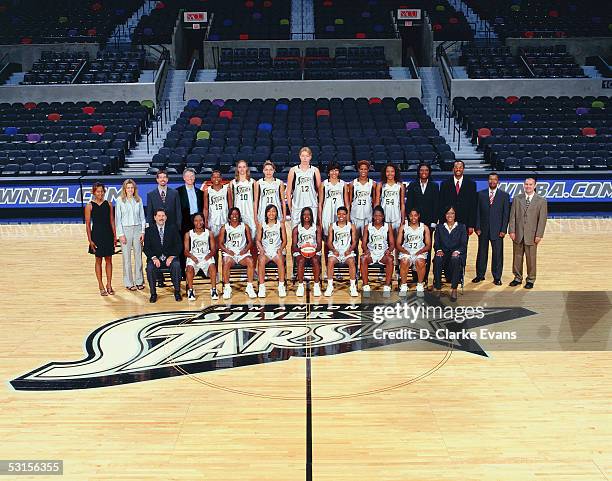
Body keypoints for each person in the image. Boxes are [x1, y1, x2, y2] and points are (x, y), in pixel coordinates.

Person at [508, 176, 547, 289]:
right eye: (526, 184)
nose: (528, 186)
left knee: (531, 259)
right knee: (517, 257)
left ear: (535, 186)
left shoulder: (541, 200)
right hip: (518, 234)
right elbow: (513, 216)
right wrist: (512, 230)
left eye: (530, 184)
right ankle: (517, 278)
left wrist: (539, 234)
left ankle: (530, 279)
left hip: (532, 234)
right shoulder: (517, 198)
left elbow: (542, 219)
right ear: (523, 185)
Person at [473, 172, 510, 285]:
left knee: (497, 254)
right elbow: (477, 212)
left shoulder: (504, 195)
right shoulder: (480, 194)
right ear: (488, 181)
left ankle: (497, 277)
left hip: (498, 230)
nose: (492, 181)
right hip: (483, 230)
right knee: (481, 253)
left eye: (495, 179)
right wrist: (477, 227)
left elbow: (506, 214)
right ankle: (480, 275)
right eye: (490, 179)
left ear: (498, 181)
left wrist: (503, 230)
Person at [406, 163, 439, 284]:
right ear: (418, 172)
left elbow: (437, 205)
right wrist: (410, 221)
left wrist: (434, 222)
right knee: (414, 247)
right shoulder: (413, 185)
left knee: (427, 250)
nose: (424, 172)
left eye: (426, 170)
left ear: (429, 172)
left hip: (429, 224)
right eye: (421, 170)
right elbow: (409, 204)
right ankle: (415, 276)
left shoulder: (435, 186)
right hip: (415, 224)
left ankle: (424, 277)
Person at [143, 208, 183, 303]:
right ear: (155, 217)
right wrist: (154, 258)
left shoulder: (172, 228)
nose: (161, 218)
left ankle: (177, 291)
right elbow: (146, 248)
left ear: (166, 217)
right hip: (155, 258)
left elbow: (179, 245)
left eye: (163, 216)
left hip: (170, 258)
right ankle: (153, 294)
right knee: (150, 268)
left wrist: (172, 256)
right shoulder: (149, 230)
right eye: (159, 216)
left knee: (176, 265)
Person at [85, 182, 116, 296]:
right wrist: (90, 240)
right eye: (98, 191)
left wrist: (114, 236)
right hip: (96, 235)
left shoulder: (109, 204)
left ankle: (109, 284)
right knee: (98, 260)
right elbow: (88, 224)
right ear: (94, 192)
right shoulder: (89, 206)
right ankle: (100, 285)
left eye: (102, 191)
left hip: (108, 234)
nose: (100, 193)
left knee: (109, 260)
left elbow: (112, 220)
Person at [114, 179, 146, 291]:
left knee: (138, 257)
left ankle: (139, 281)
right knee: (126, 258)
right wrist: (120, 234)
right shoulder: (119, 201)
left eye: (132, 187)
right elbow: (117, 219)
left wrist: (143, 231)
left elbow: (142, 217)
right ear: (124, 189)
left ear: (134, 189)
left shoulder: (138, 200)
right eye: (128, 188)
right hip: (125, 230)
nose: (130, 190)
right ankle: (128, 282)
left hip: (137, 229)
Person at [218, 207, 257, 299]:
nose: (234, 216)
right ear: (229, 216)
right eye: (232, 214)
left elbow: (250, 242)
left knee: (250, 261)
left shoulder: (244, 226)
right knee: (226, 262)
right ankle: (227, 288)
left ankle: (249, 287)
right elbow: (220, 243)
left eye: (236, 214)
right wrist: (227, 251)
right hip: (230, 254)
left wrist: (245, 249)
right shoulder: (225, 227)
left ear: (239, 216)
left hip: (242, 253)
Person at [433, 206, 468, 302]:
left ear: (455, 215)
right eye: (448, 213)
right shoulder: (440, 227)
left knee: (456, 259)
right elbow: (436, 243)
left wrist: (457, 252)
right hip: (444, 254)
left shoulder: (461, 227)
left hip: (456, 255)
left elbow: (463, 245)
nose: (450, 215)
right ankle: (438, 288)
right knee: (437, 258)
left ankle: (454, 289)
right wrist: (439, 250)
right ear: (445, 215)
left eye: (452, 213)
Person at [324, 206, 359, 297]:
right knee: (331, 260)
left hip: (347, 251)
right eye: (339, 214)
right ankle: (330, 286)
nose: (341, 216)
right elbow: (329, 242)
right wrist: (333, 250)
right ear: (337, 214)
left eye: (343, 214)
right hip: (336, 252)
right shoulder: (333, 226)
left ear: (347, 215)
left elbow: (355, 241)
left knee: (351, 261)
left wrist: (350, 250)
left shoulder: (351, 226)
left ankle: (352, 286)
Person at [184, 213, 219, 301]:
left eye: (200, 220)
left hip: (206, 256)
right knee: (189, 268)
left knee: (212, 266)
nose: (198, 222)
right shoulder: (188, 234)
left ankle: (214, 290)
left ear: (203, 221)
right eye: (196, 220)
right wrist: (192, 257)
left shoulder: (209, 233)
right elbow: (186, 251)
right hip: (194, 257)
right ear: (193, 222)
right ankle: (191, 290)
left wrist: (209, 255)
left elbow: (214, 249)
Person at [397, 208, 431, 297]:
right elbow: (398, 244)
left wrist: (420, 251)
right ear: (408, 216)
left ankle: (420, 285)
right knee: (404, 261)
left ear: (418, 216)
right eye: (411, 215)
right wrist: (405, 251)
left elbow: (428, 245)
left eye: (415, 215)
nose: (413, 218)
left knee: (420, 261)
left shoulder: (424, 227)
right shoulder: (404, 227)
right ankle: (404, 285)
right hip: (407, 251)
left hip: (419, 251)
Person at [360, 206, 394, 293]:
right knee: (363, 258)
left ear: (383, 216)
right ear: (373, 216)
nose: (377, 218)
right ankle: (366, 285)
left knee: (390, 259)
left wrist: (389, 250)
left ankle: (387, 285)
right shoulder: (368, 227)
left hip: (383, 254)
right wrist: (366, 250)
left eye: (379, 216)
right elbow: (363, 243)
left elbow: (392, 244)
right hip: (371, 253)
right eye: (375, 215)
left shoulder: (387, 226)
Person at [256, 204, 287, 298]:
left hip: (276, 251)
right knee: (261, 260)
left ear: (277, 213)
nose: (271, 213)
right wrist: (261, 249)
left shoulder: (280, 224)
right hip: (265, 251)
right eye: (269, 211)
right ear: (266, 213)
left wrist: (281, 249)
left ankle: (281, 286)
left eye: (273, 211)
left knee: (281, 261)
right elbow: (258, 240)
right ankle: (262, 287)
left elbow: (285, 240)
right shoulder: (262, 224)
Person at [438, 160, 477, 236]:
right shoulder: (444, 184)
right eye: (456, 167)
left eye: (460, 167)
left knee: (462, 246)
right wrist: (442, 222)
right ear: (453, 169)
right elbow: (441, 204)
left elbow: (473, 206)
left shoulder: (471, 184)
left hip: (465, 222)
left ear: (463, 169)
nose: (458, 169)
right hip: (448, 222)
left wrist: (471, 225)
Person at [286, 147, 321, 227]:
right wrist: (291, 207)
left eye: (307, 156)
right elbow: (288, 192)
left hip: (312, 205)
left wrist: (319, 205)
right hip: (297, 205)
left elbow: (320, 191)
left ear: (310, 157)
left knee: (311, 231)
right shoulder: (293, 170)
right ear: (299, 156)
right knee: (295, 231)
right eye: (303, 156)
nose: (305, 158)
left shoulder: (315, 170)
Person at [291, 206, 323, 297]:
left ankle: (316, 285)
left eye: (308, 214)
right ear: (301, 216)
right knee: (301, 261)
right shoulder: (297, 229)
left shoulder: (316, 228)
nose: (306, 216)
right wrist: (302, 251)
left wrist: (313, 251)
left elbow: (320, 245)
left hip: (314, 250)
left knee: (315, 260)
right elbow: (293, 246)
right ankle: (300, 285)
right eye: (304, 214)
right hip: (300, 251)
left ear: (312, 216)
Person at [202, 169, 232, 248]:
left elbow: (230, 207)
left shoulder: (227, 189)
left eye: (218, 177)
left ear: (221, 178)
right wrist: (205, 222)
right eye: (214, 177)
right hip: (213, 220)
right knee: (213, 244)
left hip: (224, 219)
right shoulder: (207, 191)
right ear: (211, 179)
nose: (216, 179)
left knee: (226, 243)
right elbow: (205, 208)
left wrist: (230, 219)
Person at [319, 162, 349, 237]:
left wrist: (348, 219)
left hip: (340, 212)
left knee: (339, 235)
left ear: (339, 172)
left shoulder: (343, 184)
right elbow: (320, 203)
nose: (334, 172)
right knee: (327, 236)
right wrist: (320, 219)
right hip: (327, 212)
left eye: (336, 170)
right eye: (332, 170)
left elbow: (347, 203)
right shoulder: (324, 184)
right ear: (328, 172)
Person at [230, 160, 258, 240]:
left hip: (250, 211)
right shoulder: (233, 183)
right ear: (237, 169)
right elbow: (231, 201)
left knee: (253, 232)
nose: (242, 169)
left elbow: (256, 201)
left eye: (244, 167)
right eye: (240, 167)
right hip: (238, 211)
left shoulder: (253, 182)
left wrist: (255, 215)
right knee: (239, 233)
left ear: (247, 168)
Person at [375, 163, 405, 233]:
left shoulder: (400, 186)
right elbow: (377, 203)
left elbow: (402, 203)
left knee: (397, 240)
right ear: (385, 173)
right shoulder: (380, 185)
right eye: (388, 171)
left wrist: (403, 218)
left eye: (392, 171)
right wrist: (376, 216)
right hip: (384, 215)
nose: (390, 173)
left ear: (395, 173)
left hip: (396, 216)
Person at [349, 159, 375, 236]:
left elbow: (374, 200)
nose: (363, 171)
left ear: (368, 170)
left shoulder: (372, 184)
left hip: (368, 214)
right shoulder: (353, 183)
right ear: (358, 170)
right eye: (361, 169)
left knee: (366, 238)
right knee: (355, 238)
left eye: (365, 169)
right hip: (355, 214)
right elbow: (350, 201)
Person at [256, 160, 286, 225]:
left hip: (276, 210)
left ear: (274, 170)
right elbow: (256, 202)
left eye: (270, 170)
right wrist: (255, 216)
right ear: (263, 170)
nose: (268, 172)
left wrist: (284, 215)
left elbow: (283, 201)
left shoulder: (279, 182)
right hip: (263, 210)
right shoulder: (259, 183)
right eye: (266, 170)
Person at [177, 168, 204, 235]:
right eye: (188, 176)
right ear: (184, 178)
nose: (190, 178)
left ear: (194, 178)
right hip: (184, 222)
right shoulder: (178, 192)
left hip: (198, 221)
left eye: (192, 176)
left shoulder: (200, 192)